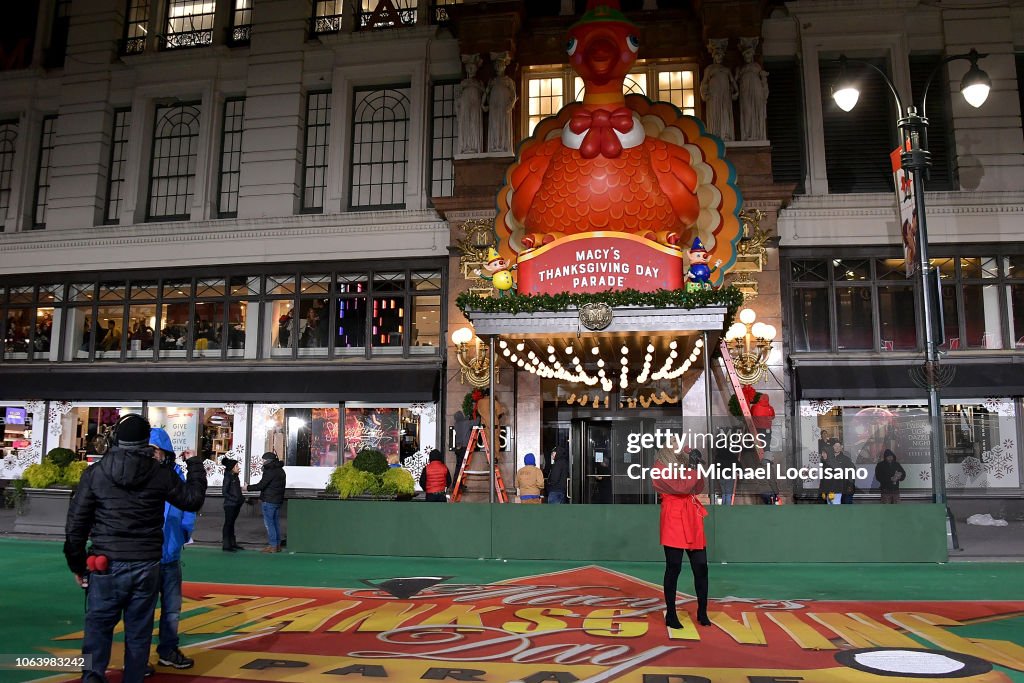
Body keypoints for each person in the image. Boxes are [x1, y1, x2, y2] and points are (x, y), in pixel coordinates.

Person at [64, 414, 207, 683]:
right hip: (146, 563)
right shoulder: (159, 473)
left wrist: (78, 565)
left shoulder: (96, 472)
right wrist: (196, 466)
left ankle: (92, 677)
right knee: (139, 632)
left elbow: (76, 525)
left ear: (116, 438)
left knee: (96, 628)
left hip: (106, 562)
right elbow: (193, 499)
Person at [148, 427, 195, 672]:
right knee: (141, 610)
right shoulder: (139, 475)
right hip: (145, 556)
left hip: (170, 553)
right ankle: (138, 657)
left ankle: (167, 649)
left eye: (155, 449)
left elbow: (188, 506)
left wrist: (183, 533)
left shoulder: (177, 476)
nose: (151, 454)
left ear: (165, 452)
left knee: (172, 610)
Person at [653, 448, 710, 629]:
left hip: (692, 518)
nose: (677, 444)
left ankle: (702, 611)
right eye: (672, 441)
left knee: (701, 567)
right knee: (674, 567)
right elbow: (681, 487)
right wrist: (692, 467)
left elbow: (698, 487)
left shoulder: (686, 465)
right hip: (673, 519)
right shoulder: (659, 468)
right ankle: (671, 614)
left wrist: (695, 466)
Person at [247, 452, 286, 553]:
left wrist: (247, 487)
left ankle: (273, 545)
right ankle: (277, 545)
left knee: (269, 524)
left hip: (269, 501)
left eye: (263, 460)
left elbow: (261, 485)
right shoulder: (281, 470)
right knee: (276, 523)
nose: (262, 462)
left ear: (268, 461)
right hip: (277, 500)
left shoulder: (270, 471)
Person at [700, 38, 736, 142]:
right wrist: (704, 94)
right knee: (715, 113)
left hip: (725, 95)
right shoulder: (710, 69)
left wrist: (735, 91)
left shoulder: (726, 70)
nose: (719, 57)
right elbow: (704, 82)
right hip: (714, 95)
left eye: (721, 55)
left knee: (725, 113)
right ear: (714, 56)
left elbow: (732, 82)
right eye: (717, 55)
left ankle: (726, 134)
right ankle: (715, 135)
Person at [483, 51, 517, 154]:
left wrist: (511, 105)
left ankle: (503, 146)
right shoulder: (492, 81)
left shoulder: (508, 80)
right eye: (496, 65)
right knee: (495, 124)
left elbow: (513, 94)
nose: (498, 67)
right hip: (494, 105)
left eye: (500, 65)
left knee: (503, 124)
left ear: (504, 67)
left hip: (504, 105)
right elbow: (487, 94)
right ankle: (494, 145)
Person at [736, 37, 768, 141]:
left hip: (756, 88)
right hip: (745, 90)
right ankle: (748, 134)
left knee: (756, 109)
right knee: (747, 111)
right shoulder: (740, 68)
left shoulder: (757, 66)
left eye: (748, 54)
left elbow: (763, 79)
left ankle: (757, 134)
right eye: (745, 54)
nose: (747, 56)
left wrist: (764, 84)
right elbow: (735, 81)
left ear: (752, 54)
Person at [458, 53, 484, 154]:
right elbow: (459, 97)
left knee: (474, 122)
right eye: (469, 68)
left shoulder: (479, 83)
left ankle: (474, 145)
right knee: (466, 122)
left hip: (475, 104)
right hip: (466, 104)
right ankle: (466, 146)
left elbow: (484, 93)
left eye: (473, 68)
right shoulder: (464, 83)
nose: (471, 70)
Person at [221, 457, 244, 551]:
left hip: (236, 504)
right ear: (232, 467)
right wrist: (235, 499)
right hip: (230, 505)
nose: (238, 467)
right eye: (236, 466)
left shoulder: (235, 477)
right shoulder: (228, 477)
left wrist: (241, 499)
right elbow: (224, 492)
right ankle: (226, 545)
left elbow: (237, 491)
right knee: (228, 524)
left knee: (231, 524)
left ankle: (232, 543)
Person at [832, 440, 857, 504]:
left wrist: (850, 486)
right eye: (835, 446)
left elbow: (852, 473)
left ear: (841, 447)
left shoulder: (846, 459)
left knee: (846, 509)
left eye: (839, 446)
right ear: (832, 447)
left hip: (845, 489)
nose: (837, 447)